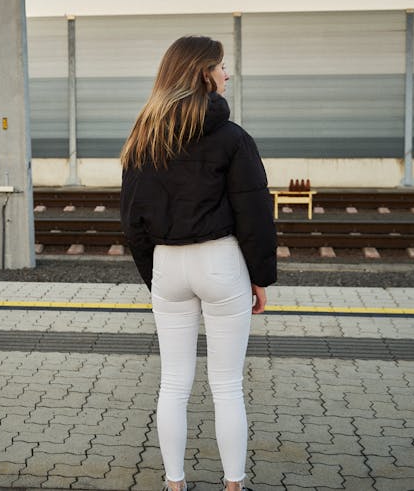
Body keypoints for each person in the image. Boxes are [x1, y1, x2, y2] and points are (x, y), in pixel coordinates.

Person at [120, 35, 277, 491]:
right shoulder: (233, 138)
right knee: (226, 384)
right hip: (221, 263)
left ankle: (175, 484)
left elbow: (133, 219)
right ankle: (233, 485)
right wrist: (261, 277)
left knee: (173, 383)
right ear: (203, 74)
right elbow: (254, 212)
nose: (228, 73)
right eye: (222, 66)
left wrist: (154, 273)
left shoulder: (144, 138)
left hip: (168, 267)